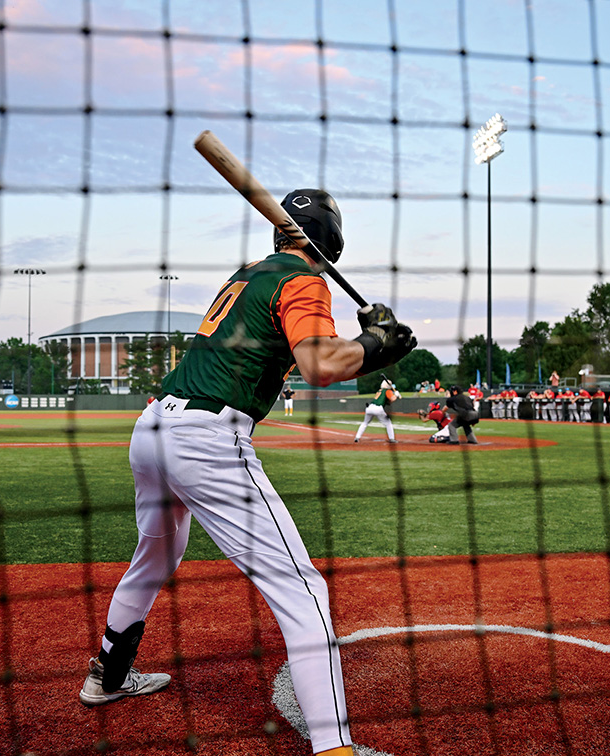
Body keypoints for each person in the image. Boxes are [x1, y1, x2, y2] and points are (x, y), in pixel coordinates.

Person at [77, 188, 415, 756]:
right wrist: (376, 342)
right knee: (302, 590)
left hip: (153, 428)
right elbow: (318, 364)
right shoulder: (304, 280)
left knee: (154, 557)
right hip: (206, 440)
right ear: (332, 240)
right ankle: (335, 749)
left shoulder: (250, 273)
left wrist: (369, 346)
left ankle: (107, 676)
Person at [354, 378, 401, 443]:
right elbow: (392, 399)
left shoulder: (380, 390)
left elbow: (388, 402)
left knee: (365, 423)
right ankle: (391, 439)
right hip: (378, 408)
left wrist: (395, 396)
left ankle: (357, 437)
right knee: (388, 423)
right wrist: (396, 395)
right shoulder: (387, 391)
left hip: (369, 408)